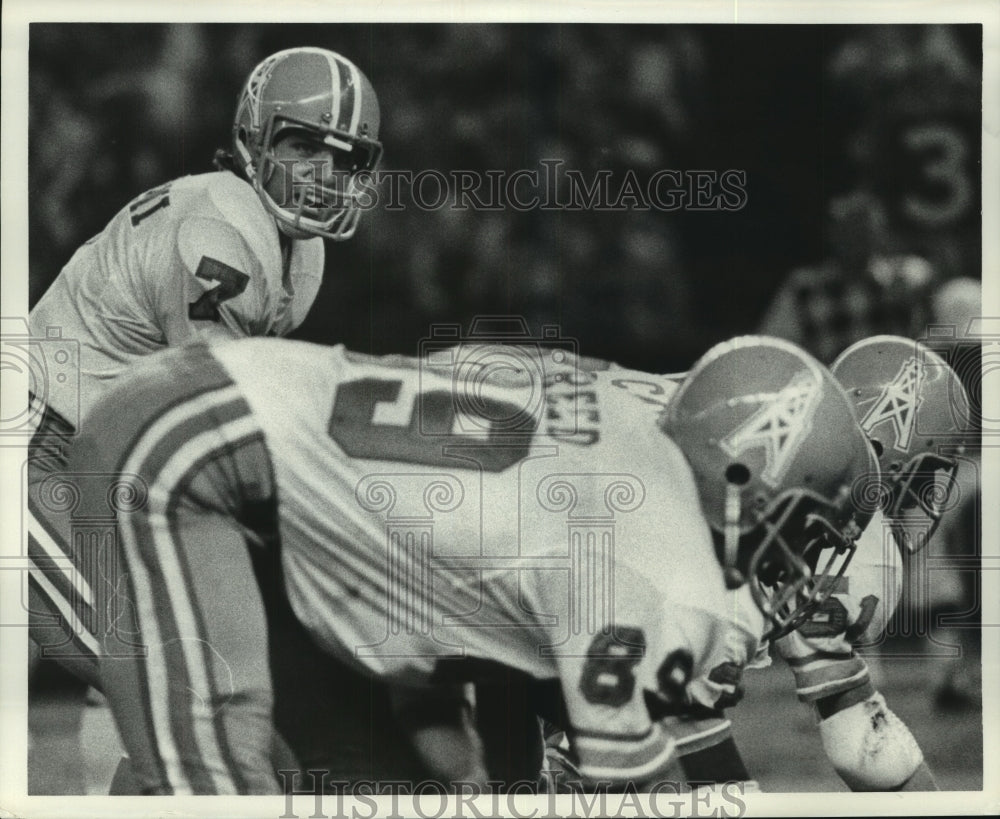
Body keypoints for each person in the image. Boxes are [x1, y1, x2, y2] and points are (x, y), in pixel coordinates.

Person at [30, 333, 872, 794]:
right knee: (221, 774)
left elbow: (423, 589)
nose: (800, 567)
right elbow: (637, 789)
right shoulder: (638, 558)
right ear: (744, 476)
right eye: (804, 529)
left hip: (265, 494)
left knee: (375, 786)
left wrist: (464, 776)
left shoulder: (625, 448)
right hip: (188, 449)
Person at [25, 44, 383, 788]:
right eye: (302, 144)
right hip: (37, 454)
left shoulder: (297, 253)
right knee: (185, 698)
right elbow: (211, 420)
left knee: (214, 712)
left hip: (111, 473)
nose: (322, 172)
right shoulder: (221, 233)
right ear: (253, 137)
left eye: (342, 156)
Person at [601, 335, 968, 792]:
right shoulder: (766, 527)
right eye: (925, 472)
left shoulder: (725, 407)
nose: (921, 496)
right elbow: (859, 740)